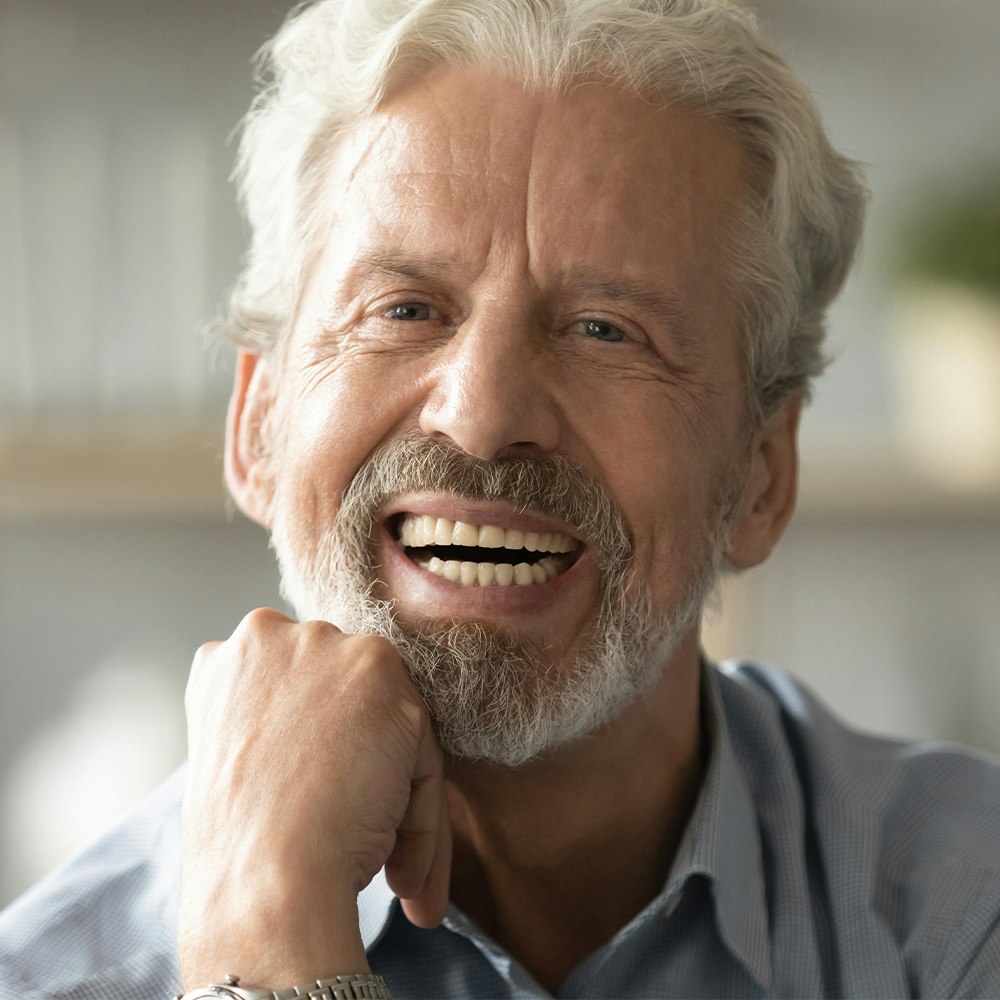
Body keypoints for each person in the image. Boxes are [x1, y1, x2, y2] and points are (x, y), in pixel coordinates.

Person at [2, 1, 1000, 997]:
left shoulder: (964, 918)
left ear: (761, 477)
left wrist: (272, 964)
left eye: (607, 330)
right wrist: (266, 917)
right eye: (402, 309)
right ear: (258, 426)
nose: (481, 416)